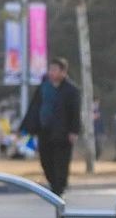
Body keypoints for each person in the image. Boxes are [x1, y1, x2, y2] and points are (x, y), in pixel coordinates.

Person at [21, 57, 82, 195]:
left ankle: (59, 187)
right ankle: (54, 183)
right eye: (50, 69)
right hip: (45, 130)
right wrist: (29, 126)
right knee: (45, 161)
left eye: (55, 70)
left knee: (61, 162)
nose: (51, 72)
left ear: (63, 72)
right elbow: (35, 107)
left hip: (63, 132)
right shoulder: (44, 87)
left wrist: (74, 131)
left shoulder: (71, 91)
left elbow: (75, 113)